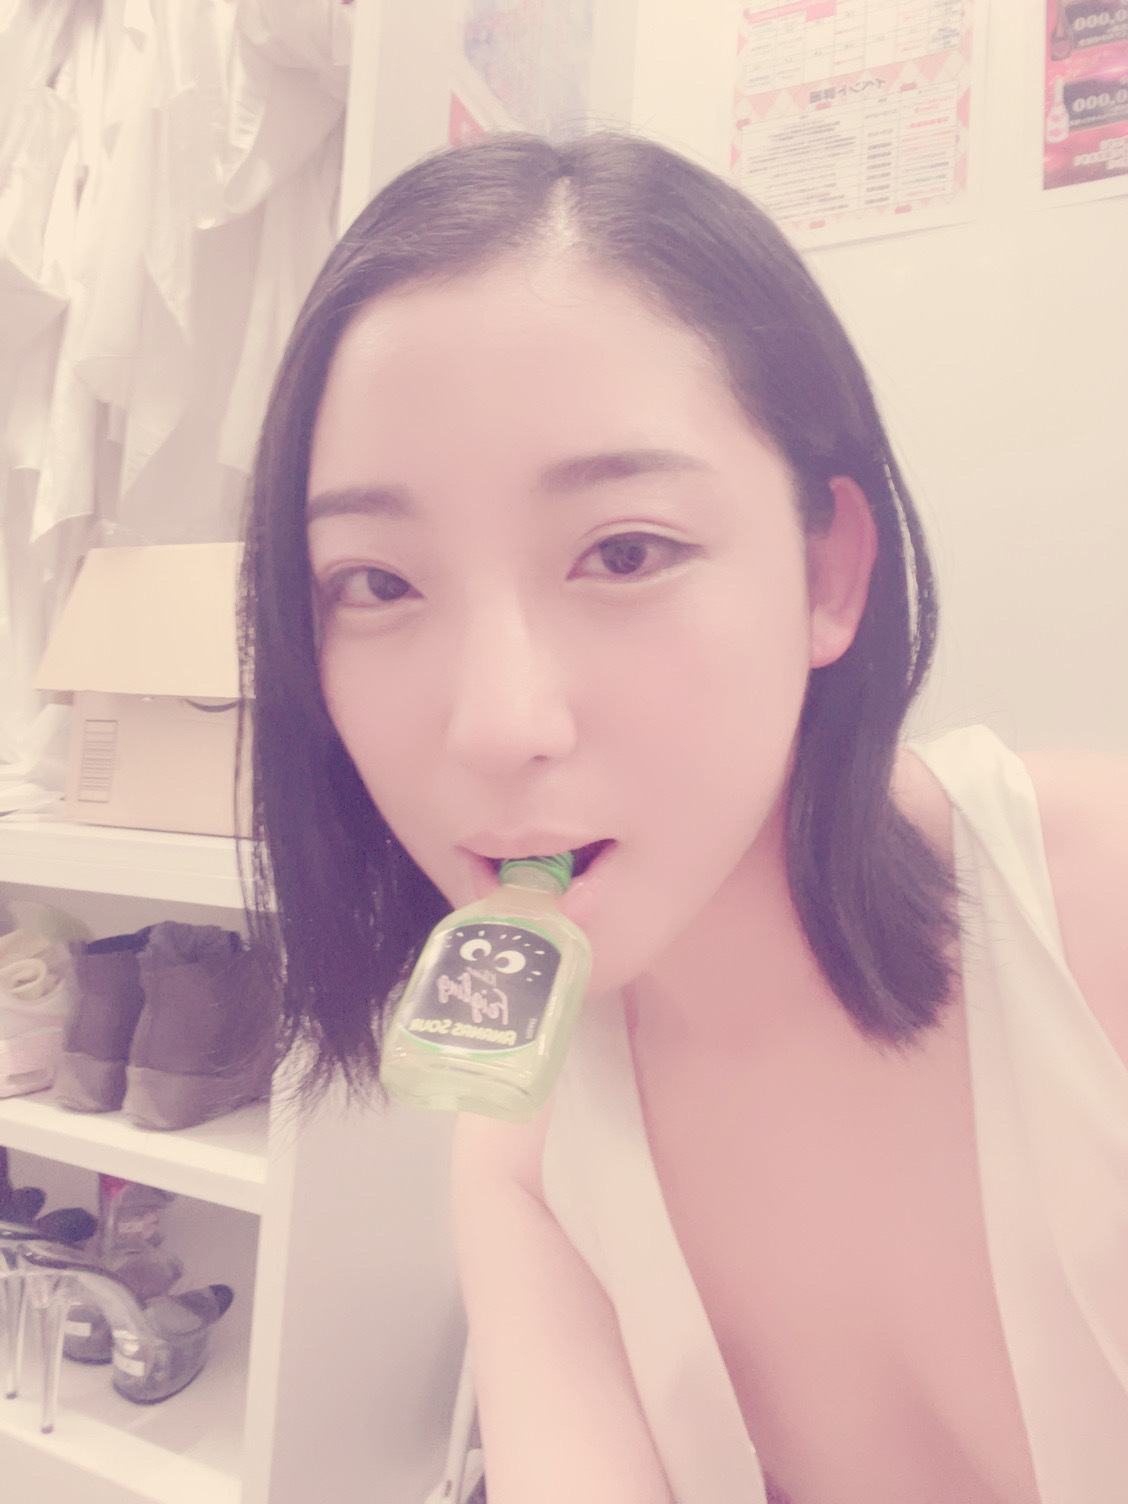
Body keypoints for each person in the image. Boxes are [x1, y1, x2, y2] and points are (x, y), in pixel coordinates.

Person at [240, 132, 1128, 1504]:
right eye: (376, 583)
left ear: (828, 574)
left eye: (625, 552)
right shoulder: (527, 1149)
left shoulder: (1099, 904)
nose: (496, 724)